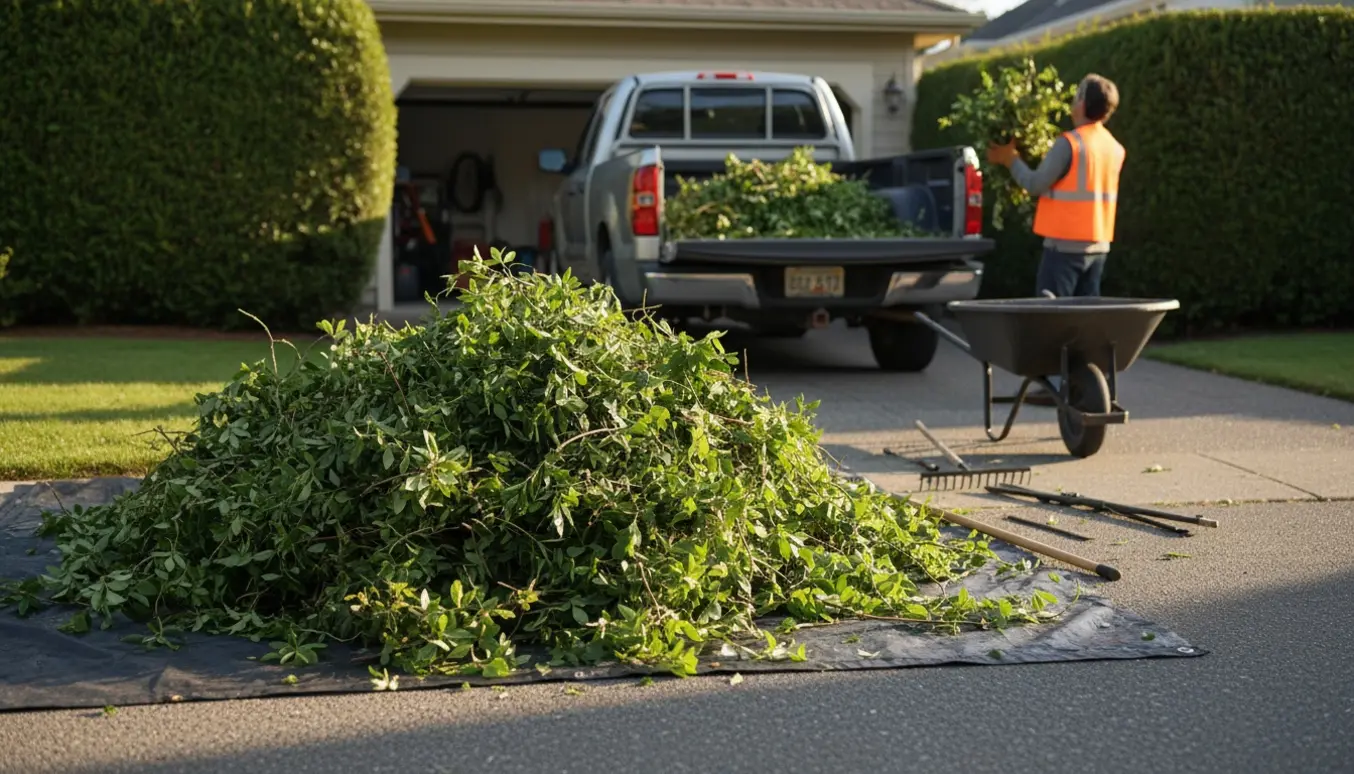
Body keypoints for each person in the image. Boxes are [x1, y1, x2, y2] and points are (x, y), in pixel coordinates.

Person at [986, 73, 1125, 405]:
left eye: (1076, 94)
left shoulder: (1071, 143)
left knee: (1051, 321)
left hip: (1064, 247)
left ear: (1081, 103)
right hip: (1098, 245)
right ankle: (1085, 386)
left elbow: (1035, 184)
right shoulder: (1114, 148)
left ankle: (1052, 386)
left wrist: (1010, 159)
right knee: (1087, 325)